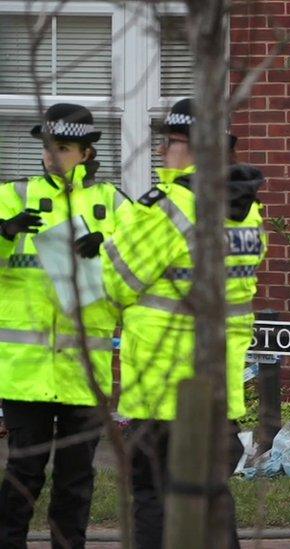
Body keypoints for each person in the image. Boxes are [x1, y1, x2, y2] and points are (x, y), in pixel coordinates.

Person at [101, 98, 266, 549]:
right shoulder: (246, 208)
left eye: (169, 142)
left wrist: (113, 238)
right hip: (218, 387)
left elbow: (115, 281)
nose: (160, 152)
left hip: (162, 386)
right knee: (213, 500)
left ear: (191, 147)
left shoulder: (165, 209)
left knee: (154, 498)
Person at [0, 103, 130, 548]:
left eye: (64, 147)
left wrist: (108, 246)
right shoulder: (12, 196)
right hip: (25, 372)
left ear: (87, 153)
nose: (53, 156)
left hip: (84, 373)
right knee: (22, 475)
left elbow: (144, 265)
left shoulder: (111, 203)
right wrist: (3, 232)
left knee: (76, 482)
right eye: (48, 147)